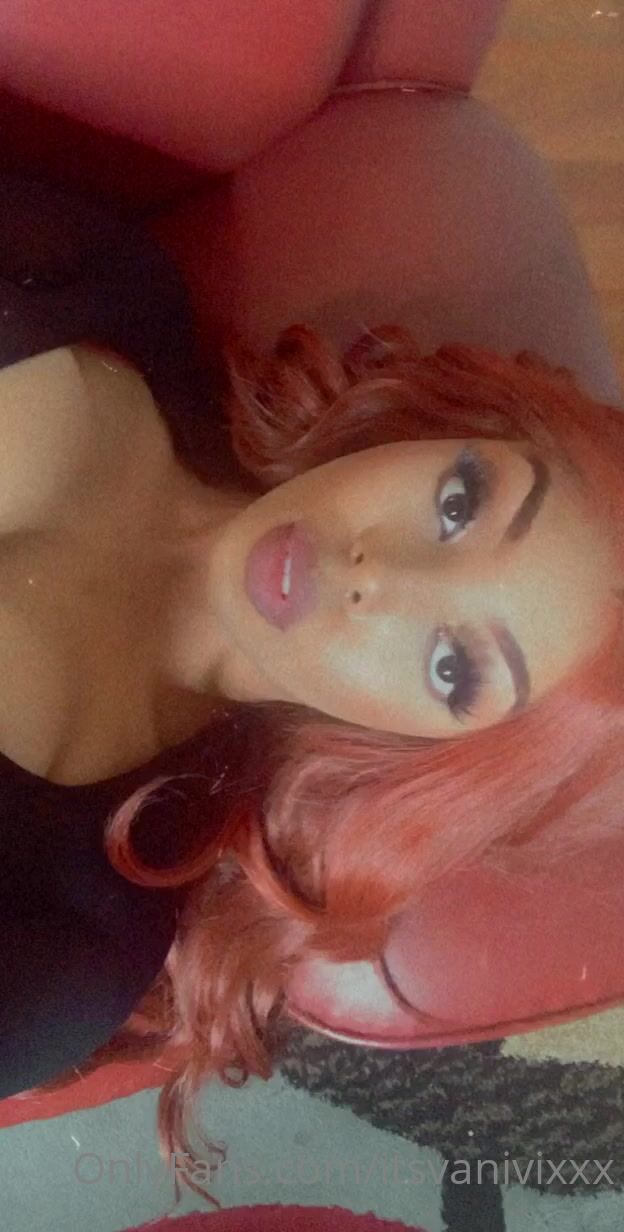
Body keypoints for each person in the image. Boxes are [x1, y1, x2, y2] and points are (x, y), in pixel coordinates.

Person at [1, 0, 623, 1213]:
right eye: (461, 501)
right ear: (451, 426)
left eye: (452, 666)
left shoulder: (66, 942)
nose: (375, 575)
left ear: (421, 760)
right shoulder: (102, 285)